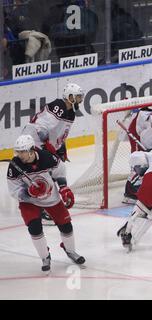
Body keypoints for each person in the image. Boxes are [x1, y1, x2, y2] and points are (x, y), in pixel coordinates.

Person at [7, 135, 84, 273]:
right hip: (29, 201)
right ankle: (45, 256)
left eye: (22, 151)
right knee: (34, 227)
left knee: (66, 225)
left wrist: (63, 188)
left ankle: (70, 250)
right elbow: (14, 189)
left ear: (31, 150)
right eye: (17, 152)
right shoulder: (15, 165)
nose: (19, 155)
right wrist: (27, 193)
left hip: (51, 197)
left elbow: (60, 172)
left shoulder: (47, 157)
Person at [22, 83, 83, 224]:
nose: (80, 100)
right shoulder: (59, 106)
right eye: (77, 97)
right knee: (45, 172)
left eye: (81, 97)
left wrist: (60, 147)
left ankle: (43, 202)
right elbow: (41, 126)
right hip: (34, 140)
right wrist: (46, 143)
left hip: (43, 143)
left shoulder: (71, 113)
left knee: (55, 169)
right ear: (69, 97)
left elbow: (60, 132)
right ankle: (42, 208)